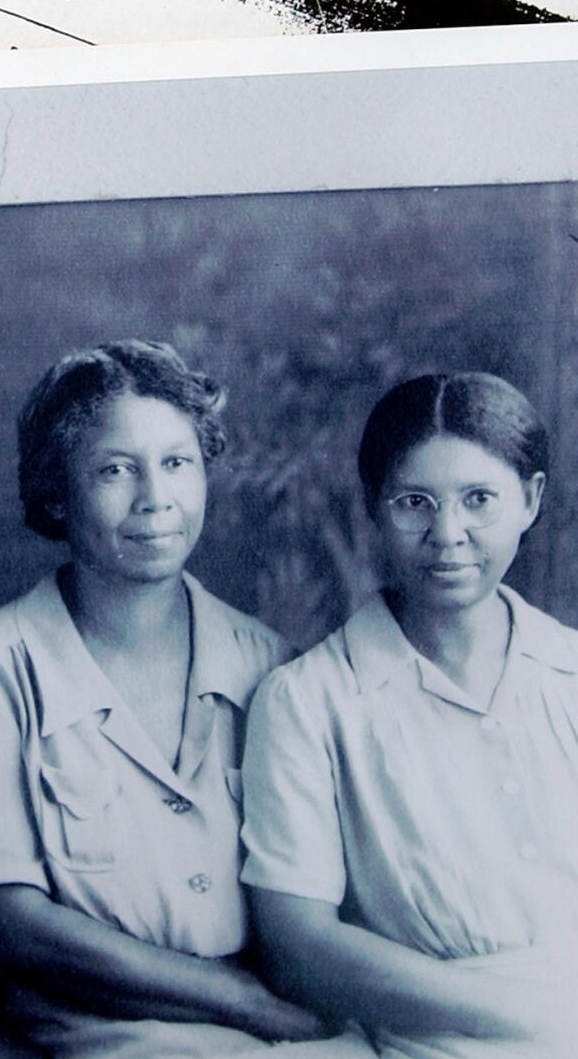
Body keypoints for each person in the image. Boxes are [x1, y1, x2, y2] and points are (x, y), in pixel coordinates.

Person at [0, 341, 365, 1058]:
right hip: (102, 1032)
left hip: (279, 1023)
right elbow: (6, 923)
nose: (154, 498)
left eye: (178, 463)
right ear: (55, 494)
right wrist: (244, 1003)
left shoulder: (270, 665)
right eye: (114, 470)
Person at [241, 371, 578, 1059]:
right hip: (440, 1043)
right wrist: (515, 1016)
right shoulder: (310, 700)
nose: (447, 534)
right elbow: (298, 943)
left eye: (479, 500)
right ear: (373, 507)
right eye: (414, 502)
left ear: (531, 500)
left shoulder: (570, 672)